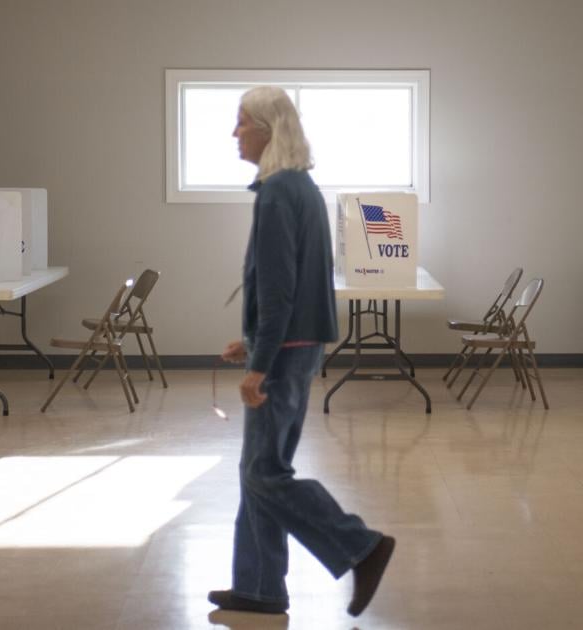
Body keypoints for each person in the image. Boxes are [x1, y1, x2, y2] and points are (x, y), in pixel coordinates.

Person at [208, 86, 395, 617]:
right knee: (259, 469)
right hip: (299, 345)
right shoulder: (301, 187)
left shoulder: (276, 194)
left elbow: (279, 289)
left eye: (242, 122)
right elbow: (295, 284)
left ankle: (361, 546)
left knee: (264, 473)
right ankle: (259, 588)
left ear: (268, 130)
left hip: (285, 353)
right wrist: (253, 342)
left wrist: (259, 363)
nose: (235, 133)